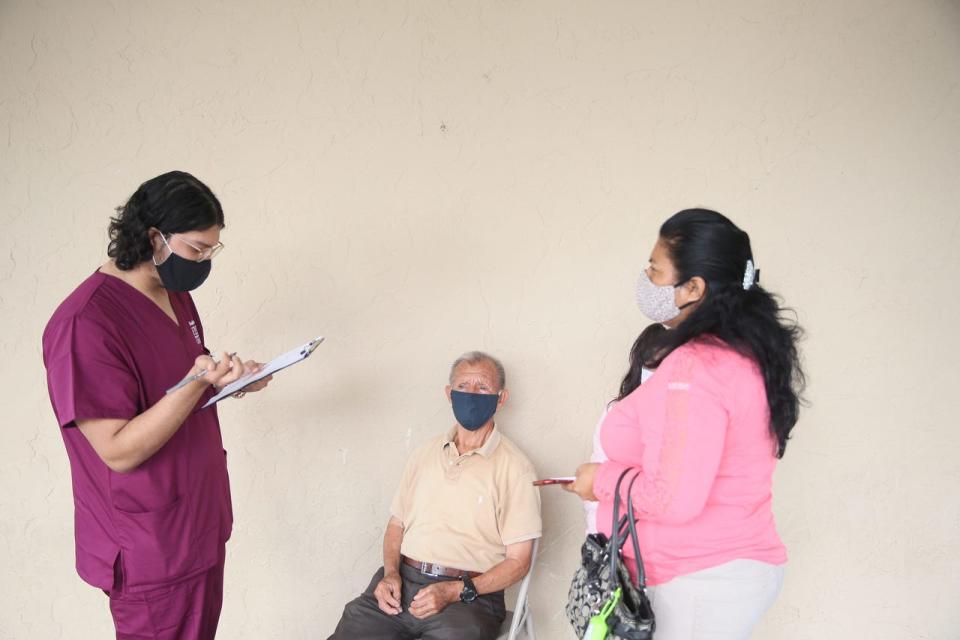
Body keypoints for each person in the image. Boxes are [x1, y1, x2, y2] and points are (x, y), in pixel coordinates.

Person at [42, 171, 272, 639]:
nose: (205, 261)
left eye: (212, 251)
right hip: (150, 547)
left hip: (198, 526)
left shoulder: (175, 296)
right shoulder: (86, 323)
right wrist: (195, 382)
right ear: (154, 238)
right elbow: (118, 449)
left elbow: (174, 393)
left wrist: (227, 383)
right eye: (197, 249)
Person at [564, 209, 805, 640]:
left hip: (697, 580)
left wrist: (600, 480)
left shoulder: (695, 367)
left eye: (655, 270)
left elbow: (673, 499)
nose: (645, 278)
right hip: (715, 573)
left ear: (693, 288)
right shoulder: (740, 355)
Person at [329, 351, 542, 640]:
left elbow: (519, 562)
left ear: (501, 398)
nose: (472, 395)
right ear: (449, 394)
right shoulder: (424, 455)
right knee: (354, 625)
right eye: (463, 387)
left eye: (483, 388)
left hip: (470, 598)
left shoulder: (516, 469)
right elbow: (396, 525)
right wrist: (391, 573)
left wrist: (458, 590)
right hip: (403, 584)